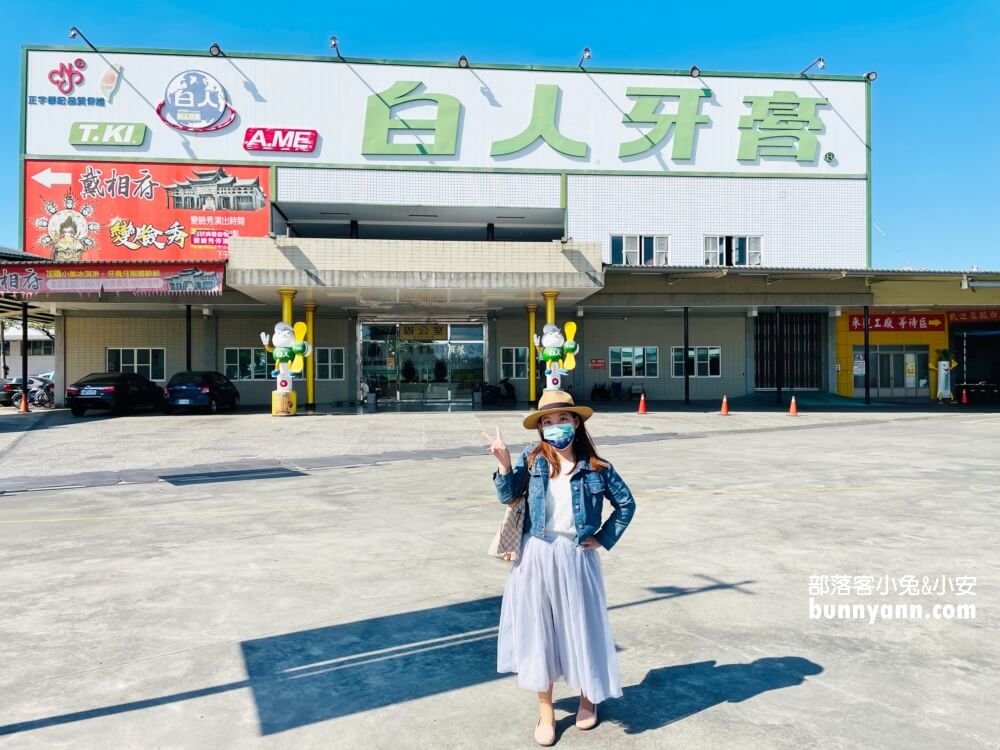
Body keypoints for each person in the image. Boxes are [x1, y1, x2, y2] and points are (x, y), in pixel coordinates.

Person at [484, 389, 636, 746]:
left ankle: (588, 699)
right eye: (547, 422)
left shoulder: (597, 468)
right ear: (540, 429)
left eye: (562, 419)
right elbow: (508, 496)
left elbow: (626, 504)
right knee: (540, 634)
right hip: (535, 555)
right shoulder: (533, 459)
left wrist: (601, 537)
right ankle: (546, 711)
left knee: (582, 630)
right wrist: (505, 464)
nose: (555, 427)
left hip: (576, 557)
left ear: (576, 421)